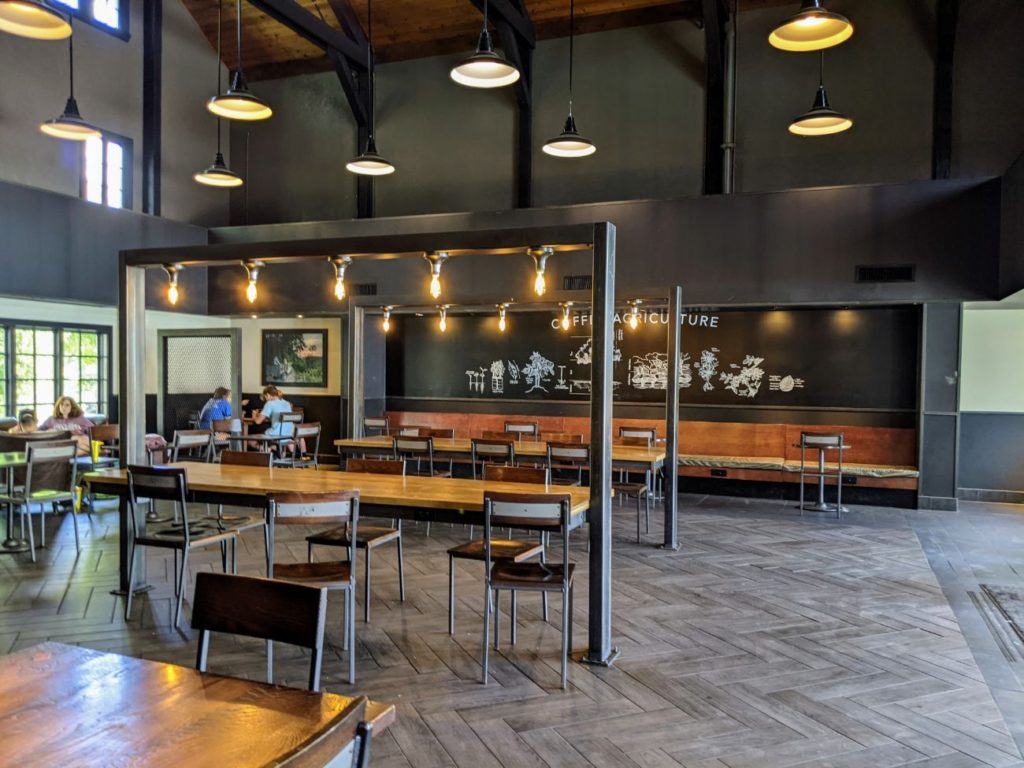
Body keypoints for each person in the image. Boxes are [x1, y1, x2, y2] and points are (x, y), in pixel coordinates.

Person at [251, 385, 294, 452]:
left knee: (249, 441)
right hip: (289, 434)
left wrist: (254, 415)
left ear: (268, 395)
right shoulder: (287, 403)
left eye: (265, 397)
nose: (265, 399)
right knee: (270, 441)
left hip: (276, 434)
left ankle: (270, 450)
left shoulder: (270, 403)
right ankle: (274, 451)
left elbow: (258, 421)